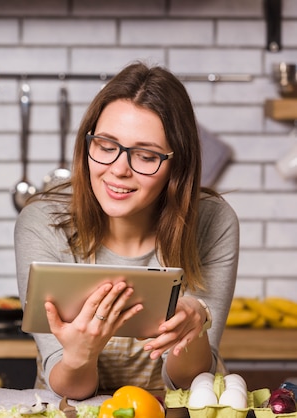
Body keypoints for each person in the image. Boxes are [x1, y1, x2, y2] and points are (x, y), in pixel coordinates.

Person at [15, 62, 239, 400]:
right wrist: (79, 355)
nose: (118, 170)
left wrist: (191, 331)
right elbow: (68, 387)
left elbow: (189, 384)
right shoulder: (42, 219)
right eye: (106, 147)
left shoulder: (212, 221)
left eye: (146, 156)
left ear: (176, 166)